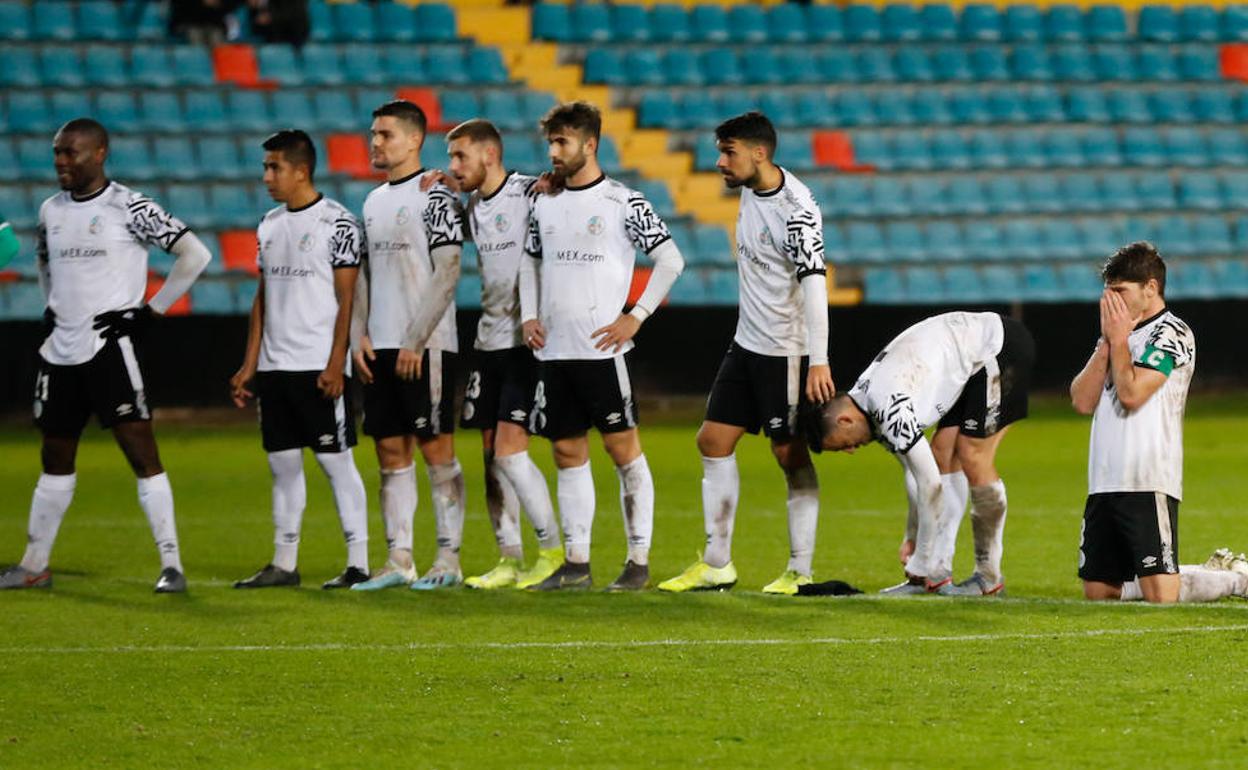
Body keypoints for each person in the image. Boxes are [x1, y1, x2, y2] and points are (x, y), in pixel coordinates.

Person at [0, 118, 212, 592]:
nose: (60, 162)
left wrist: (150, 312)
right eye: (56, 152)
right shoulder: (50, 210)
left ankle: (172, 566)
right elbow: (43, 262)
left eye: (70, 153)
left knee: (141, 454)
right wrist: (50, 306)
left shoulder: (129, 205)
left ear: (99, 154)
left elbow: (195, 254)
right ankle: (34, 564)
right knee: (54, 455)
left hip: (108, 350)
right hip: (59, 353)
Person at [657, 111, 832, 596]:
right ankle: (717, 564)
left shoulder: (796, 211)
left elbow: (815, 288)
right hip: (747, 343)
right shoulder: (752, 191)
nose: (719, 163)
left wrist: (818, 359)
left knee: (789, 452)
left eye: (727, 152)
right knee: (712, 442)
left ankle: (800, 569)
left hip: (786, 352)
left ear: (759, 153)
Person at [520, 101, 685, 591]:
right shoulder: (542, 201)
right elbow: (530, 261)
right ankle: (576, 564)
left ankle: (637, 561)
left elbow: (671, 260)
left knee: (623, 451)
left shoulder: (623, 203)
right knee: (568, 453)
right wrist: (529, 313)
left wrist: (635, 316)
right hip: (554, 351)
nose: (552, 151)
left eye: (561, 142)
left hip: (601, 352)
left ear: (589, 145)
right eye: (550, 142)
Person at [806, 311, 1035, 596]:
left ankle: (988, 576)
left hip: (997, 346)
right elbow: (915, 475)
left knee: (972, 455)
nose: (851, 450)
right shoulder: (867, 403)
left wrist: (920, 559)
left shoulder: (886, 407)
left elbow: (931, 484)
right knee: (942, 454)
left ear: (844, 421)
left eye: (842, 445)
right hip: (969, 358)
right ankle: (937, 574)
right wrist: (912, 536)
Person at [229, 130, 370, 590]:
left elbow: (346, 298)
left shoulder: (338, 224)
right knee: (283, 465)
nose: (266, 176)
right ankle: (284, 563)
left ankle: (358, 563)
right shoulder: (269, 224)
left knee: (336, 462)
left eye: (274, 167)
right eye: (266, 167)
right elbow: (263, 297)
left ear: (301, 170)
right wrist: (250, 364)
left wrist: (336, 363)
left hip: (317, 366)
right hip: (275, 368)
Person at [434, 119, 564, 590]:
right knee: (491, 453)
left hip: (526, 343)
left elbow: (573, 187)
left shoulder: (532, 191)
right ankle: (508, 556)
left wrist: (558, 181)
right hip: (487, 341)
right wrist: (447, 185)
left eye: (460, 157)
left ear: (489, 155)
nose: (454, 166)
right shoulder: (472, 204)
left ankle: (552, 552)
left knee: (510, 453)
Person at [349, 100, 468, 592]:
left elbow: (449, 269)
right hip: (381, 343)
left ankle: (448, 559)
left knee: (436, 449)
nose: (375, 142)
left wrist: (417, 339)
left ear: (415, 140)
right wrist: (359, 333)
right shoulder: (373, 201)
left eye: (385, 135)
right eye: (374, 134)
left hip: (428, 345)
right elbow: (362, 276)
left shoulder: (436, 196)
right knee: (389, 451)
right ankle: (398, 559)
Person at [1069, 242, 1198, 604]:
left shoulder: (1172, 333)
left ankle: (1229, 580)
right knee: (1099, 593)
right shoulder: (1115, 337)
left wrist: (1119, 340)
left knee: (1161, 594)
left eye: (1120, 292)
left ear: (1151, 288)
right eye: (1107, 294)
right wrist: (1108, 345)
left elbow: (1131, 394)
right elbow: (1081, 400)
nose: (1111, 303)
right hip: (1103, 480)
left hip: (1147, 477)